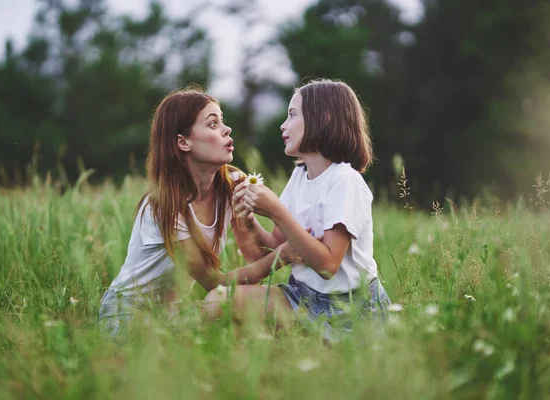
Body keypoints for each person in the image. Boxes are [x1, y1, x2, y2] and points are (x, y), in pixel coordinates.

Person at [99, 86, 298, 335]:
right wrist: (283, 255)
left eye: (222, 121)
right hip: (128, 312)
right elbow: (212, 282)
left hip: (174, 311)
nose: (227, 130)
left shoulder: (232, 183)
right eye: (213, 124)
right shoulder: (164, 207)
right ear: (183, 142)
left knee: (233, 328)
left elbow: (257, 262)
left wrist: (248, 221)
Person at [204, 79, 391, 339]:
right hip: (300, 296)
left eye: (292, 115)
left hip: (348, 309)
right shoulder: (300, 176)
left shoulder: (345, 181)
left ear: (323, 119)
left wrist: (275, 210)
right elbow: (271, 248)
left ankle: (323, 345)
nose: (283, 124)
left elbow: (328, 265)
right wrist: (249, 221)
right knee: (218, 300)